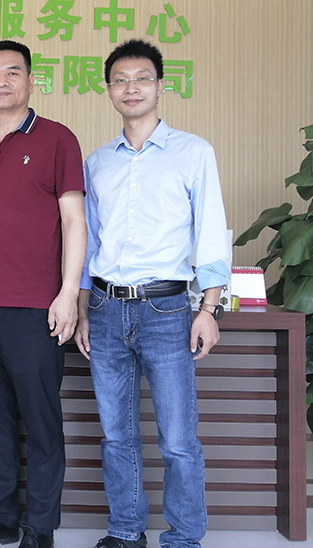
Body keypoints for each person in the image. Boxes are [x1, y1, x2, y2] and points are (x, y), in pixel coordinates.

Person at [75, 39, 230, 548]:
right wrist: (82, 308)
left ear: (160, 86)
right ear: (108, 90)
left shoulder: (193, 152)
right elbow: (89, 242)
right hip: (105, 308)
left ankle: (183, 537)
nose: (131, 88)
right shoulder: (97, 162)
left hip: (167, 309)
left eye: (142, 78)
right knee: (116, 435)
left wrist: (209, 308)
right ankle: (125, 530)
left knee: (178, 439)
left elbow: (211, 230)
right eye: (120, 80)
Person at [0, 41, 86, 548]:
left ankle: (40, 526)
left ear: (31, 81)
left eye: (12, 72)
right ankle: (1, 516)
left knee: (41, 420)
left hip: (36, 308)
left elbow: (75, 221)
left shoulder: (57, 139)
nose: (1, 81)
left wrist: (68, 293)